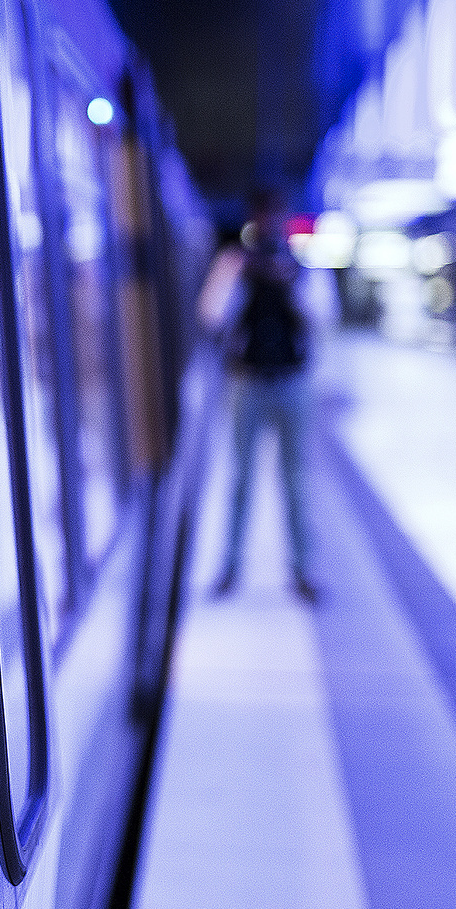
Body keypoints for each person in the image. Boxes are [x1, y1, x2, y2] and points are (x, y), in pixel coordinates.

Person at [200, 190, 321, 603]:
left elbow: (325, 318)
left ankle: (303, 569)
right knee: (240, 479)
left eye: (276, 215)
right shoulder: (235, 263)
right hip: (247, 382)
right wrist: (242, 279)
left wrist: (290, 287)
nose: (270, 224)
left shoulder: (302, 266)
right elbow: (212, 314)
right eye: (264, 215)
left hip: (292, 381)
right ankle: (230, 567)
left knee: (296, 480)